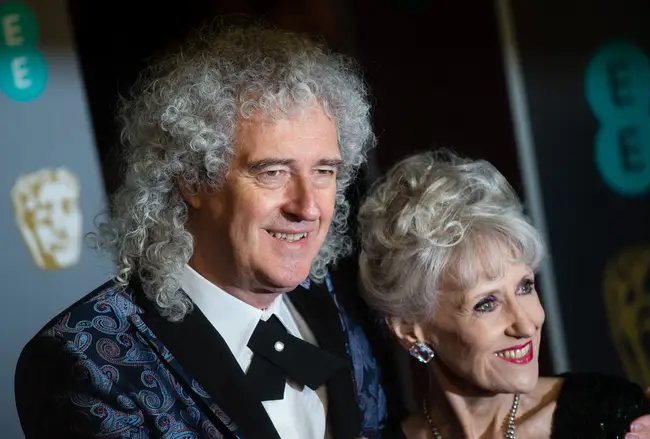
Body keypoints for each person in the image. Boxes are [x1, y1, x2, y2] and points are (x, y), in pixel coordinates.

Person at [14, 22, 390, 439]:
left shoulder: (339, 306)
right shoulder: (87, 360)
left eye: (324, 171)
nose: (307, 206)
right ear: (192, 179)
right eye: (273, 172)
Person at [357, 149, 650, 439]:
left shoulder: (614, 416)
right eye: (486, 303)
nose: (526, 324)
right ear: (412, 330)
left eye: (525, 287)